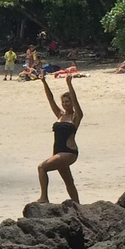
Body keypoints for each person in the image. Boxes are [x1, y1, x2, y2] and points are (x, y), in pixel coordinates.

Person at [37, 72, 82, 203]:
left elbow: (76, 100)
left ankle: (44, 197)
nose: (64, 104)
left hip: (69, 152)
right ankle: (78, 206)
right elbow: (50, 99)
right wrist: (44, 82)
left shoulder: (76, 116)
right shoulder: (60, 115)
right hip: (58, 152)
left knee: (42, 168)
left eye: (67, 102)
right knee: (69, 182)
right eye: (63, 102)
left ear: (72, 103)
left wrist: (69, 84)